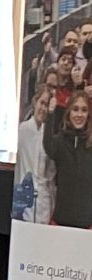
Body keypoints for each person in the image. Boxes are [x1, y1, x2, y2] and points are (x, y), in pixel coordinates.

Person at [44, 87, 92, 228]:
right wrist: (50, 114)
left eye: (84, 110)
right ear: (69, 112)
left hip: (86, 224)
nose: (79, 114)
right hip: (61, 220)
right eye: (75, 109)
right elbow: (48, 146)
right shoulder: (60, 140)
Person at [15, 75, 58, 223]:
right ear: (35, 102)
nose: (43, 108)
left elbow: (51, 173)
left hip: (44, 202)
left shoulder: (50, 136)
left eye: (47, 105)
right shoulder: (22, 130)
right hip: (23, 201)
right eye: (42, 103)